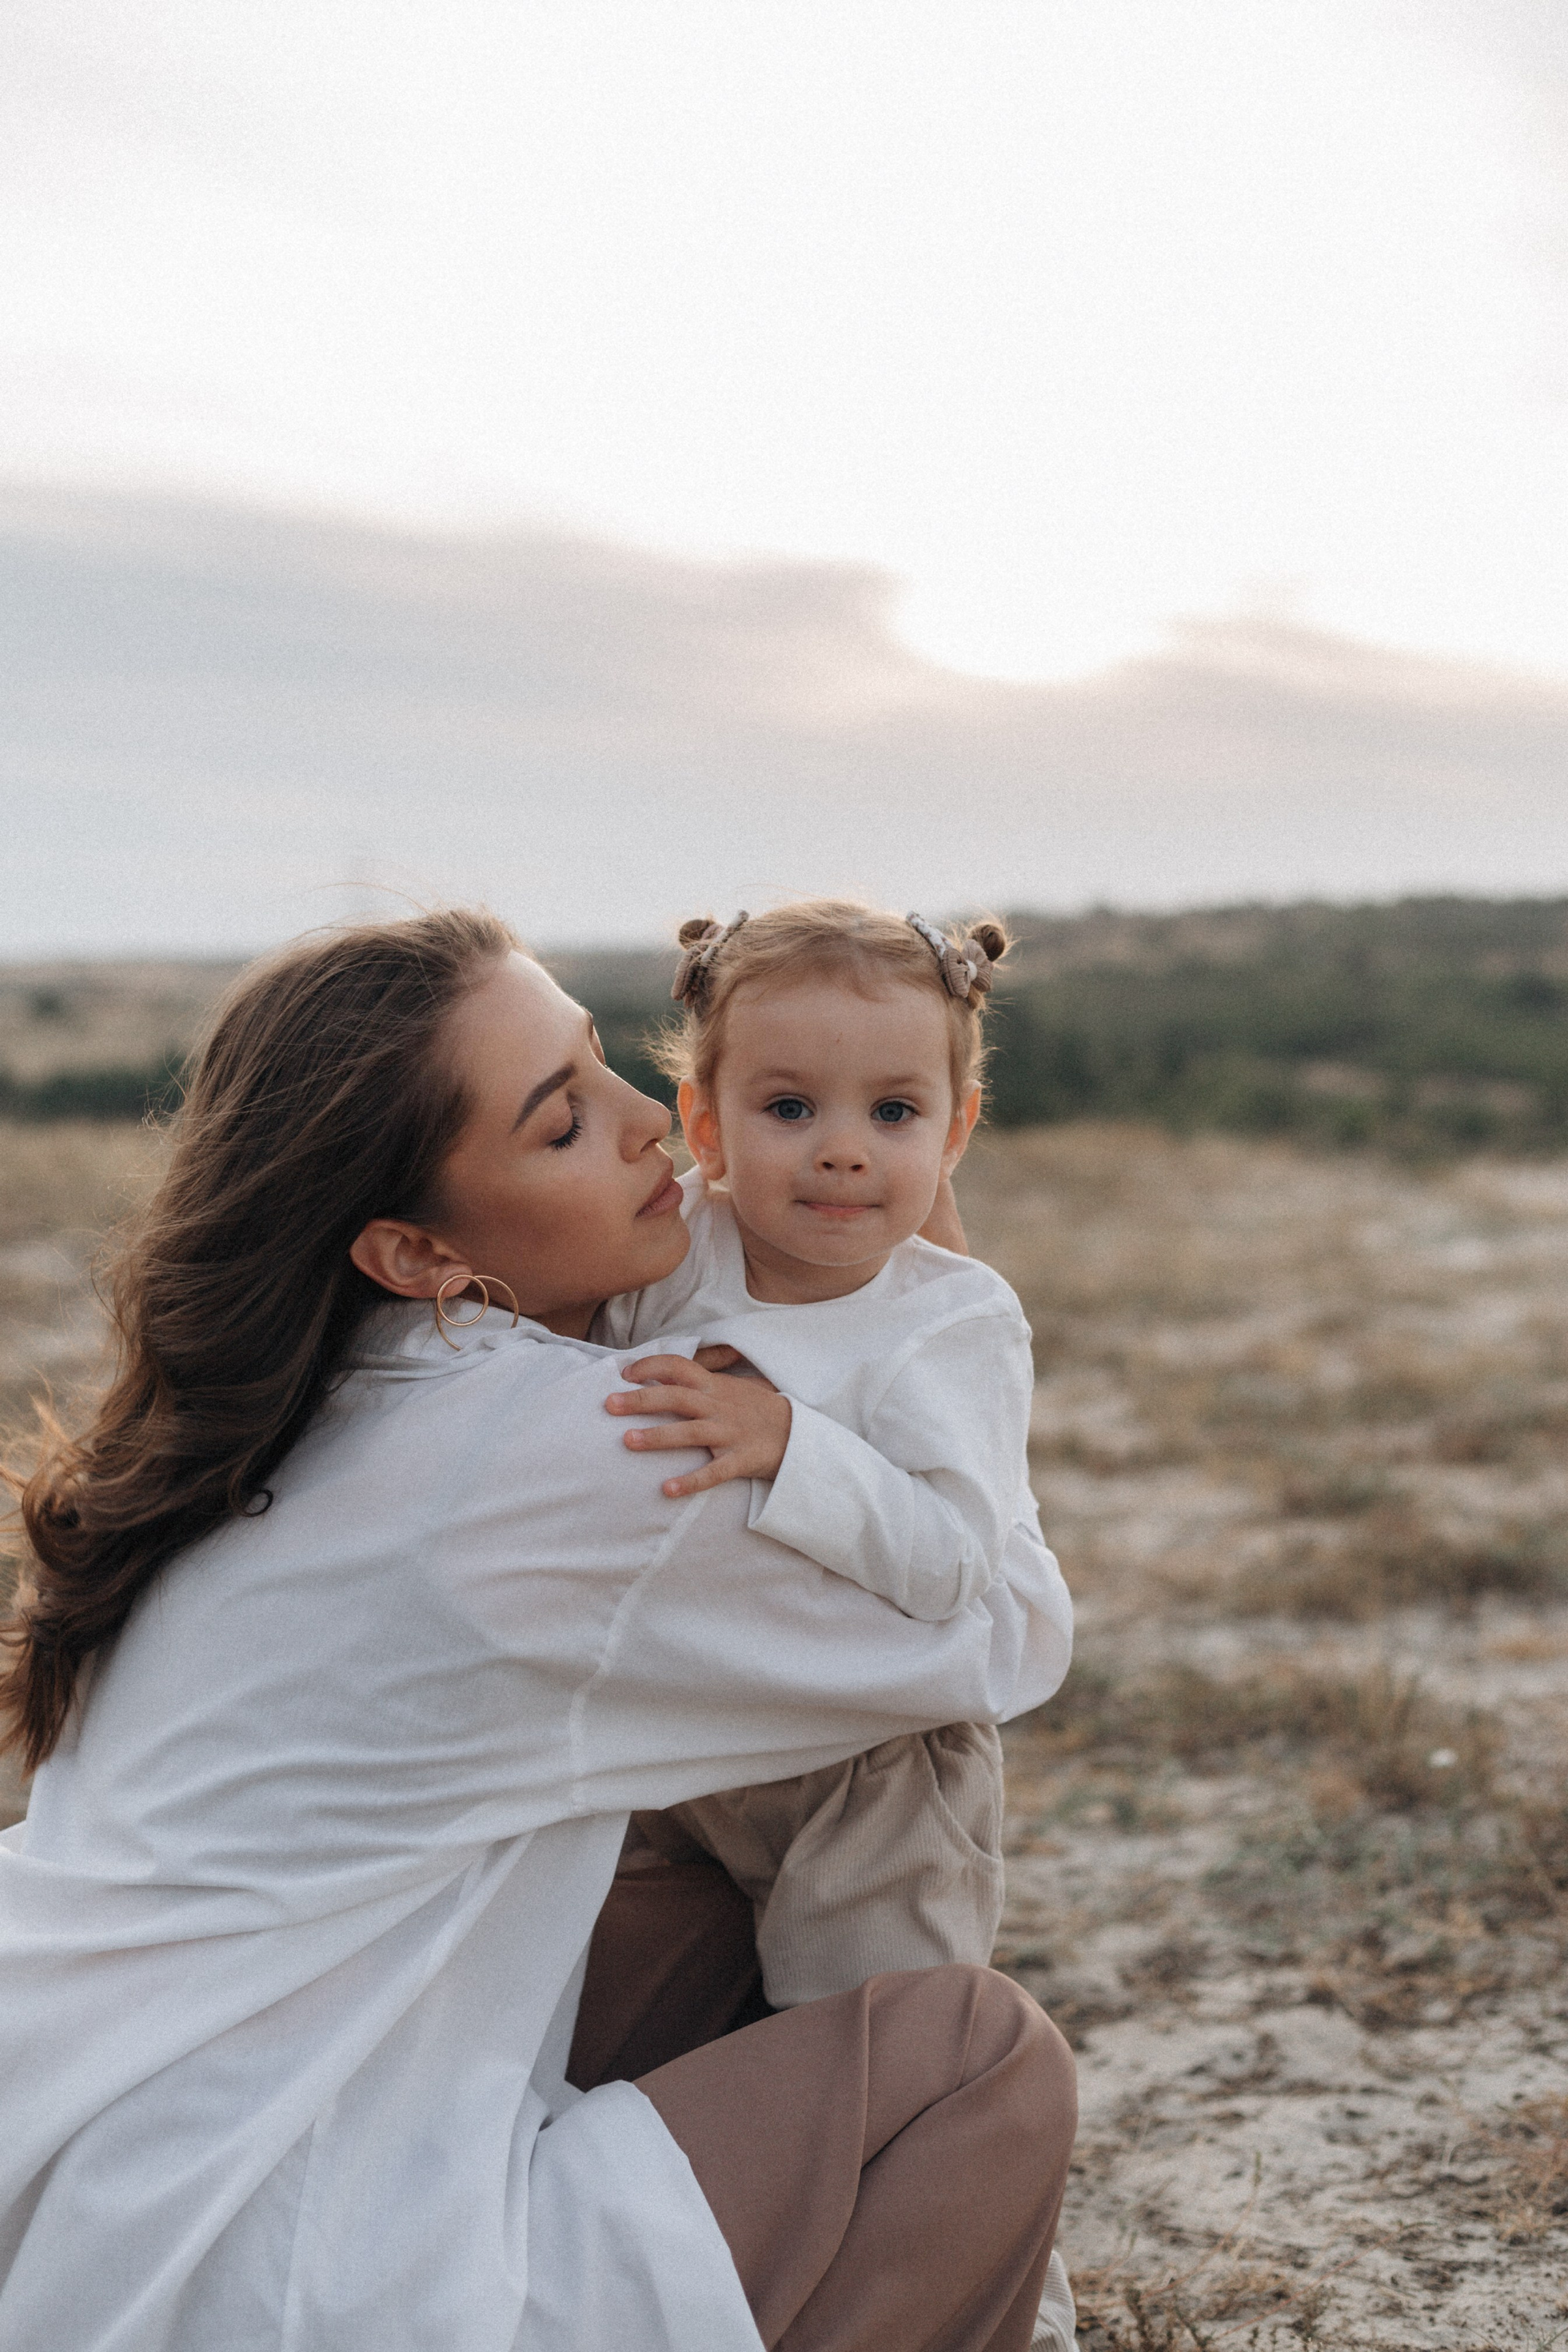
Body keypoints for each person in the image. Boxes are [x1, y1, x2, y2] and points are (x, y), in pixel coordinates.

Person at [0, 909, 1076, 2352]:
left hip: (91, 2188)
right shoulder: (598, 1442)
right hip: (300, 2264)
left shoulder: (281, 1413)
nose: (657, 1132)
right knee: (971, 2060)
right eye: (565, 1122)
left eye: (604, 1067)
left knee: (694, 1893)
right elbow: (993, 1643)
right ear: (414, 1249)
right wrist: (926, 1282)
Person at [592, 898, 1078, 2352]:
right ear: (703, 1116)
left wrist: (790, 1440)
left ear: (957, 1131)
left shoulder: (951, 1323)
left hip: (878, 1775)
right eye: (788, 1104)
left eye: (893, 1108)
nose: (843, 1146)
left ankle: (1012, 2305)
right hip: (687, 1757)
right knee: (715, 2054)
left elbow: (946, 1563)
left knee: (890, 2056)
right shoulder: (677, 1254)